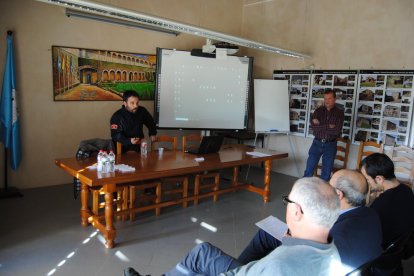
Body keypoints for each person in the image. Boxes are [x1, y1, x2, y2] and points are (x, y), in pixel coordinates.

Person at [124, 177, 342, 276]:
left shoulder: (279, 264)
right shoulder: (335, 257)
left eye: (288, 201)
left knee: (201, 254)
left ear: (297, 211)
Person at [237, 169, 383, 274]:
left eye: (329, 185)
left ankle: (241, 269)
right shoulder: (370, 214)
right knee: (266, 233)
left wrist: (291, 243)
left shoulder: (339, 237)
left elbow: (308, 259)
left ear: (338, 194)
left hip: (306, 258)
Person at [360, 153, 414, 248]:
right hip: (402, 247)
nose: (368, 183)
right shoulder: (407, 190)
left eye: (368, 180)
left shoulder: (379, 205)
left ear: (379, 179)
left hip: (383, 252)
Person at [304, 89, 344, 181]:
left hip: (330, 145)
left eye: (329, 98)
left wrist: (320, 126)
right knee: (308, 171)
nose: (327, 101)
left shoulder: (339, 113)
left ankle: (322, 194)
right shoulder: (318, 111)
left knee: (326, 174)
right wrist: (328, 126)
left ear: (335, 99)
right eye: (325, 98)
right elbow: (314, 128)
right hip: (316, 143)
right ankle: (303, 193)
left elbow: (336, 131)